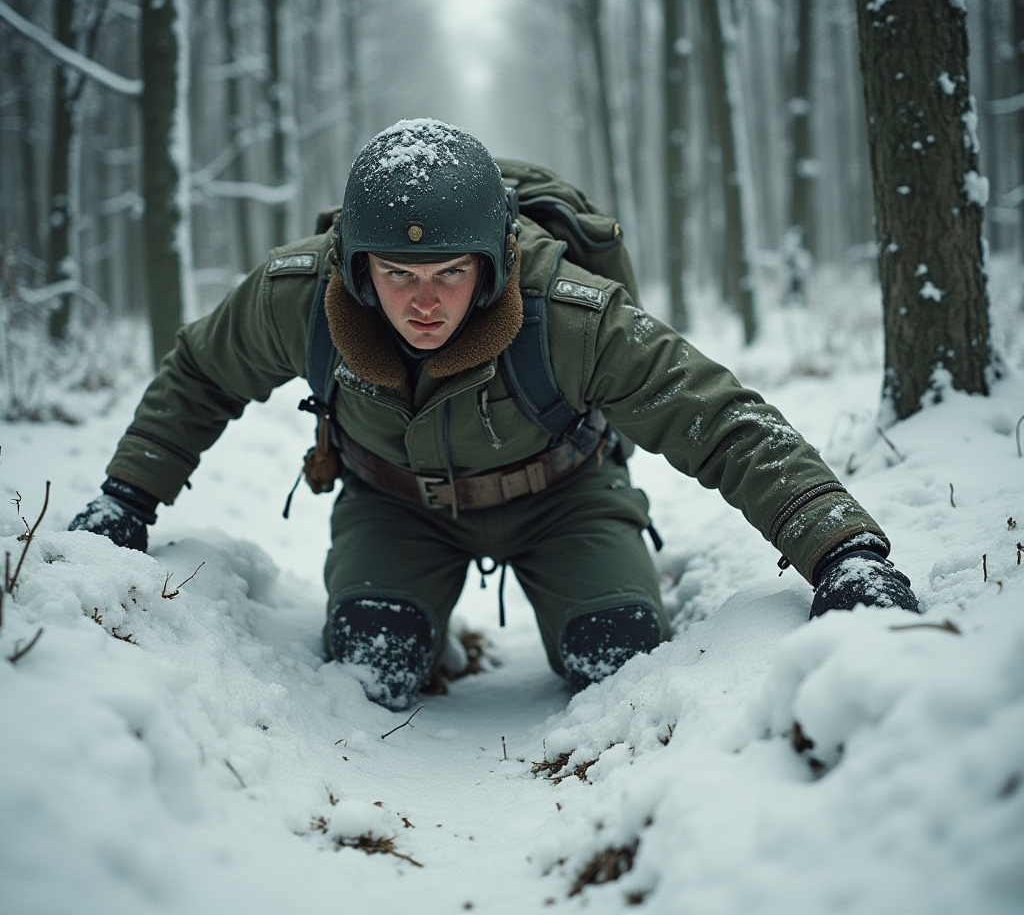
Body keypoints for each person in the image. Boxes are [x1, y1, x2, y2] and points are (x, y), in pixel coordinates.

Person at [70, 119, 919, 710]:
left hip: (564, 498)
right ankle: (423, 619)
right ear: (357, 267)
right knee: (373, 656)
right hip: (394, 505)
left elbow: (719, 419)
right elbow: (200, 374)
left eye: (450, 272)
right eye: (398, 275)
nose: (424, 301)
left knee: (616, 649)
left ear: (493, 263)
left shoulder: (571, 315)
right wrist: (125, 498)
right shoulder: (298, 297)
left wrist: (843, 551)